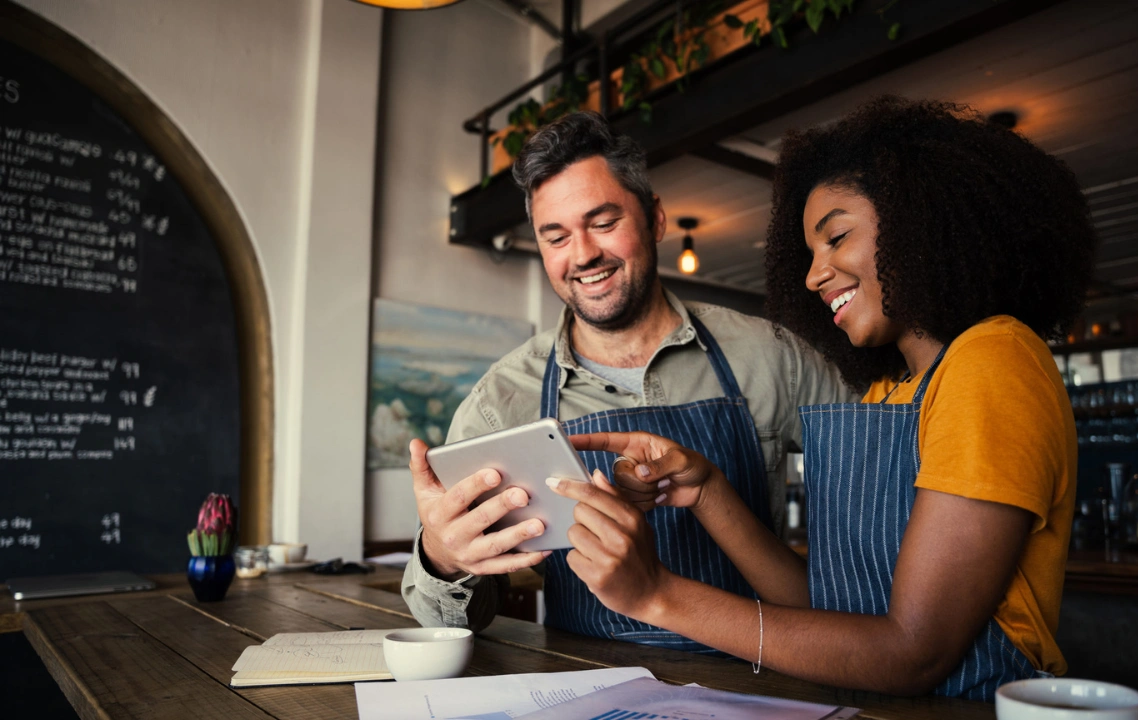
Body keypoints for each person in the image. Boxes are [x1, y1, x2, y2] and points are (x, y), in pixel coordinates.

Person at [547, 96, 1097, 700]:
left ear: (921, 222)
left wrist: (655, 595)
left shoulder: (993, 361)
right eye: (810, 253)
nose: (814, 275)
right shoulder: (894, 391)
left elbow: (912, 651)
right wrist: (707, 491)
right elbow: (830, 611)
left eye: (836, 237)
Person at [401, 111, 854, 652]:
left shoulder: (773, 356)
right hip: (584, 685)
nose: (584, 254)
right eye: (556, 236)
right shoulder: (502, 402)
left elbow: (881, 508)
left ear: (655, 219)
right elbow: (454, 624)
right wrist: (443, 558)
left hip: (771, 675)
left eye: (604, 221)